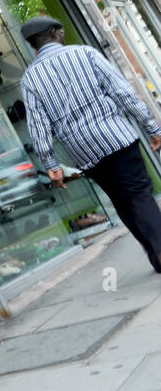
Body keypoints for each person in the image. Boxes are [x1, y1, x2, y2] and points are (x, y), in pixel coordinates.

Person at [19, 15, 161, 273]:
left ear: (34, 45)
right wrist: (152, 127)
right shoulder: (86, 54)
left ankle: (155, 256)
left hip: (85, 153)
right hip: (117, 138)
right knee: (139, 194)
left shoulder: (30, 79)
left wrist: (50, 163)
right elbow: (123, 93)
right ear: (55, 33)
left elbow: (38, 125)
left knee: (121, 201)